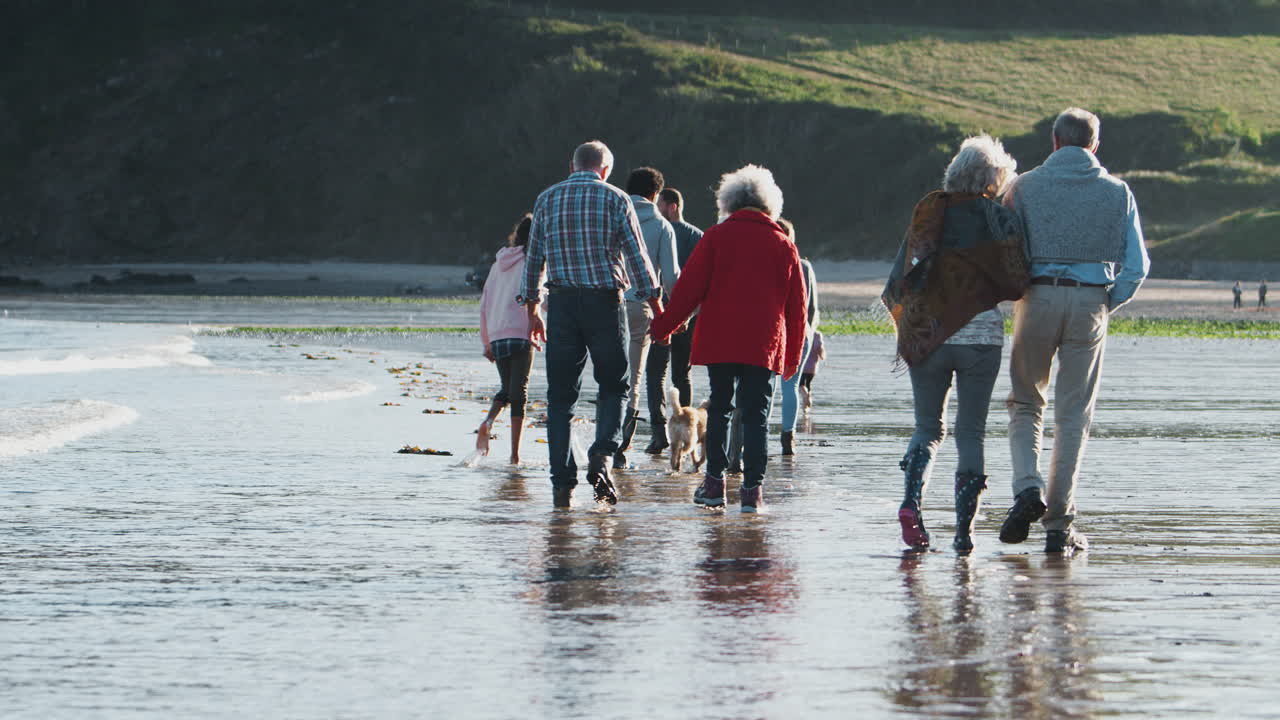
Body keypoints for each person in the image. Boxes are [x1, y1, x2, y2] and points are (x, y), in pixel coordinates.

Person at [1000, 108, 1150, 554]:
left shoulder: (1022, 187)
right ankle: (1058, 525)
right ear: (1095, 145)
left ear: (1054, 141)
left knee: (1026, 401)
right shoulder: (1117, 192)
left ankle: (1028, 487)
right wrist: (1106, 300)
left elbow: (1006, 249)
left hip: (1037, 297)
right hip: (1091, 300)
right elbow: (1137, 266)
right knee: (1073, 415)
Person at [881, 134, 1029, 553]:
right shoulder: (997, 218)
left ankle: (911, 503)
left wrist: (910, 323)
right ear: (993, 178)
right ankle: (964, 533)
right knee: (971, 433)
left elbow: (903, 273)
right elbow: (1018, 281)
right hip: (981, 336)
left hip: (928, 333)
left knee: (927, 429)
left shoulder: (930, 209)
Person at [650, 165, 807, 513]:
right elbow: (798, 309)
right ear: (769, 204)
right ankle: (752, 492)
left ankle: (714, 486)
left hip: (721, 340)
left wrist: (663, 326)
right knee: (756, 416)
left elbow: (688, 291)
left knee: (719, 410)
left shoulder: (715, 238)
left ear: (728, 202)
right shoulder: (783, 245)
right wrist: (792, 356)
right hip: (764, 344)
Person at [520, 140, 663, 508]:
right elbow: (638, 259)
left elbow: (533, 260)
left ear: (572, 166)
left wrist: (532, 310)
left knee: (560, 398)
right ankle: (601, 456)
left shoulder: (547, 199)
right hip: (604, 303)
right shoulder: (617, 199)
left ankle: (561, 487)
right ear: (606, 170)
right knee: (614, 386)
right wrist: (657, 305)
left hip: (562, 304)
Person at [614, 167, 680, 469]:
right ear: (656, 194)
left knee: (609, 375)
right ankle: (620, 447)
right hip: (641, 306)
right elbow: (670, 279)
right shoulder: (661, 226)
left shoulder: (612, 215)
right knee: (635, 378)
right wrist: (677, 315)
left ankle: (605, 435)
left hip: (608, 303)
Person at [645, 187, 704, 454]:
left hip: (658, 312)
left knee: (656, 373)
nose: (656, 209)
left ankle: (659, 433)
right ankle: (686, 428)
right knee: (682, 372)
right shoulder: (698, 237)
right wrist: (690, 315)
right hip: (687, 315)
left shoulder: (659, 231)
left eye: (659, 205)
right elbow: (703, 282)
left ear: (673, 207)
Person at [476, 213, 539, 464]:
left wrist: (487, 342)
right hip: (522, 333)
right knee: (519, 393)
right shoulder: (534, 263)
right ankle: (515, 455)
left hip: (499, 335)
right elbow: (540, 297)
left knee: (508, 388)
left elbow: (484, 305)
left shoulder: (497, 264)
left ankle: (488, 421)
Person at [776, 218, 819, 456]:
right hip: (802, 331)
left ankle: (760, 434)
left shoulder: (769, 262)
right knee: (790, 386)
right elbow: (811, 308)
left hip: (775, 330)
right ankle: (787, 438)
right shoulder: (804, 266)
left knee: (770, 386)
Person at [799, 329, 825, 412]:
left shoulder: (802, 332)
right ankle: (805, 408)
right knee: (808, 384)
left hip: (802, 366)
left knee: (801, 385)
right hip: (812, 368)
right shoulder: (817, 334)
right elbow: (820, 350)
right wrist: (822, 357)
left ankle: (806, 397)